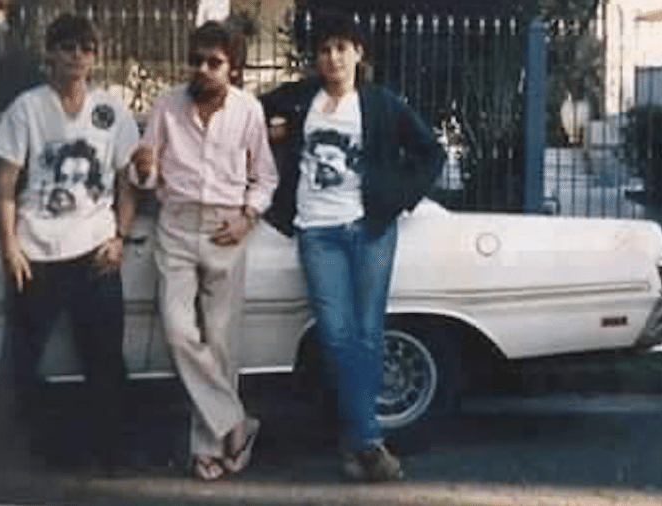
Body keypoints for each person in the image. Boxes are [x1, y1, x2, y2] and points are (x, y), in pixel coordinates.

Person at [260, 9, 445, 482]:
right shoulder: (301, 98)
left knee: (368, 335)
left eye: (341, 47)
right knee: (336, 338)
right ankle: (366, 443)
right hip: (316, 232)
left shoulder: (382, 104)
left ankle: (357, 443)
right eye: (324, 49)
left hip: (369, 230)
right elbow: (249, 113)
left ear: (358, 53)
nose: (332, 57)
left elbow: (430, 152)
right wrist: (273, 131)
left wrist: (397, 198)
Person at [0, 13, 141, 474]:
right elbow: (4, 184)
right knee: (20, 360)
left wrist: (120, 237)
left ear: (95, 56)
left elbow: (128, 181)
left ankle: (110, 454)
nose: (78, 55)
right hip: (37, 254)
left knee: (105, 361)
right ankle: (6, 457)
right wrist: (11, 247)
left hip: (96, 251)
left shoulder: (110, 110)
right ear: (50, 54)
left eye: (86, 48)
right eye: (68, 46)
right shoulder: (27, 109)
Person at [131, 20, 277, 481]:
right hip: (175, 225)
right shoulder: (168, 105)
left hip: (225, 229)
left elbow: (266, 177)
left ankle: (208, 449)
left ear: (233, 67)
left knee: (219, 342)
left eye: (214, 62)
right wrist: (143, 169)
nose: (203, 69)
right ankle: (237, 423)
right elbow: (146, 177)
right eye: (196, 60)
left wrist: (247, 217)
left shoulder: (249, 110)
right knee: (178, 333)